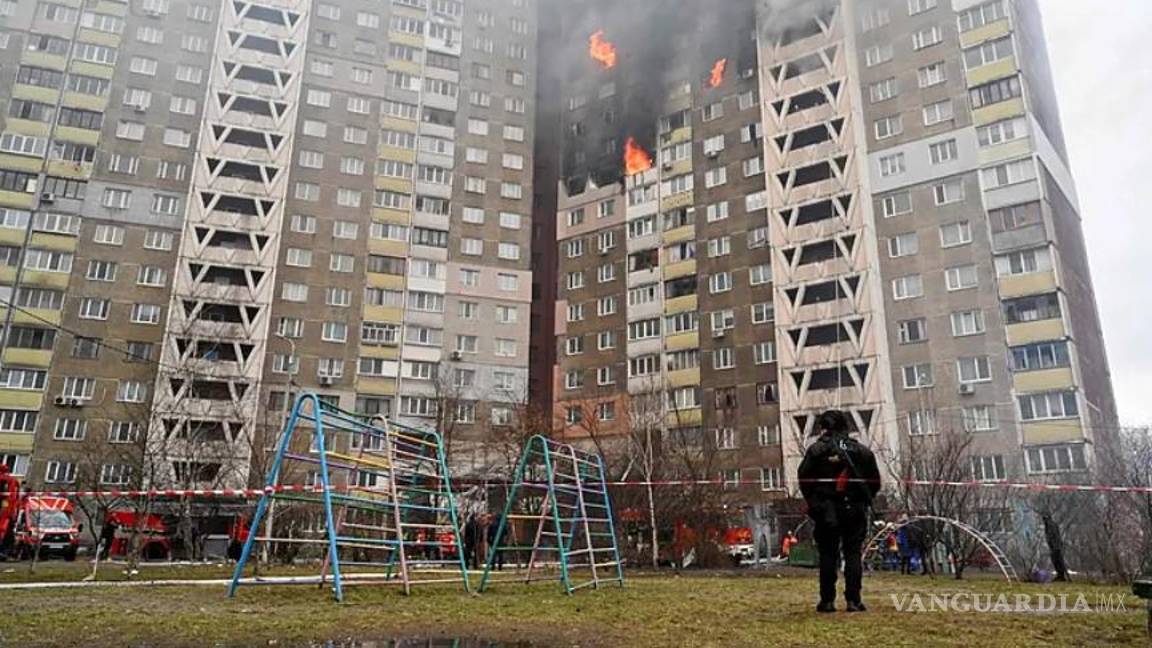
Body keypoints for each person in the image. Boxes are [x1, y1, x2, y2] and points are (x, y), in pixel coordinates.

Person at [797, 409, 881, 613]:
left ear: (823, 428)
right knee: (853, 553)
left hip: (826, 511)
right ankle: (853, 600)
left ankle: (827, 601)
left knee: (828, 554)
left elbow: (803, 478)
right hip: (854, 509)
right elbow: (874, 482)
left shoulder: (816, 451)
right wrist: (862, 498)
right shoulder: (861, 451)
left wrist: (815, 502)